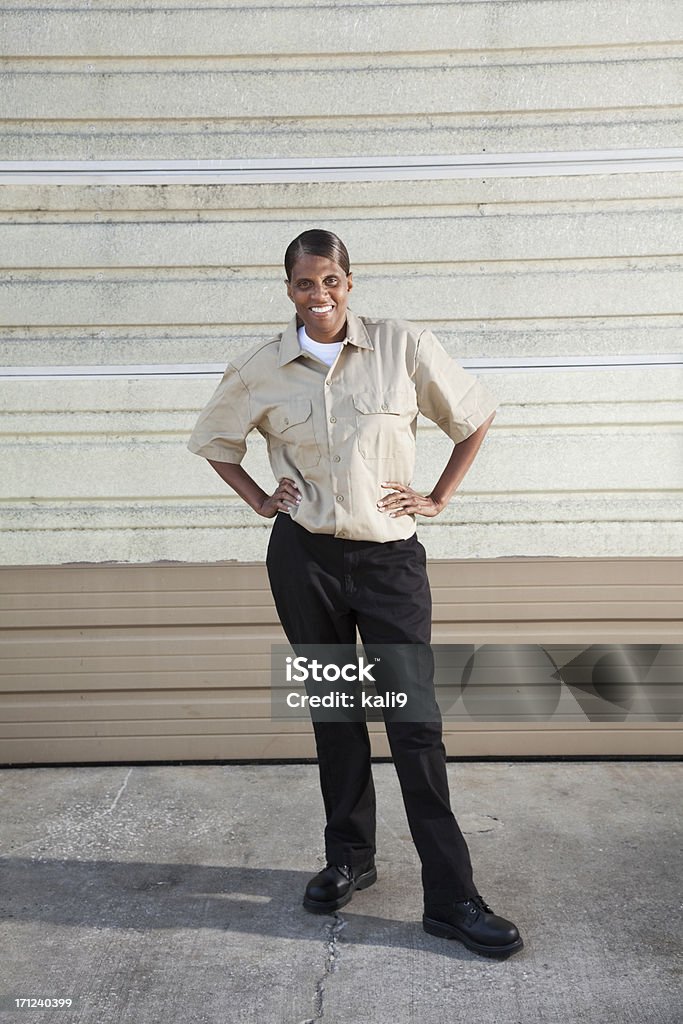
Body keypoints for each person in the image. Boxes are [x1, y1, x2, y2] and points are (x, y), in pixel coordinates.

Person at [188, 229, 523, 959]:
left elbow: (474, 415)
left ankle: (451, 896)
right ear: (288, 290)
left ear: (350, 283)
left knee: (414, 725)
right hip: (304, 560)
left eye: (332, 281)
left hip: (388, 563)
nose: (320, 296)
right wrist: (257, 499)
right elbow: (216, 441)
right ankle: (349, 857)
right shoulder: (259, 368)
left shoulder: (402, 346)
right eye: (305, 284)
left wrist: (437, 495)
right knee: (334, 715)